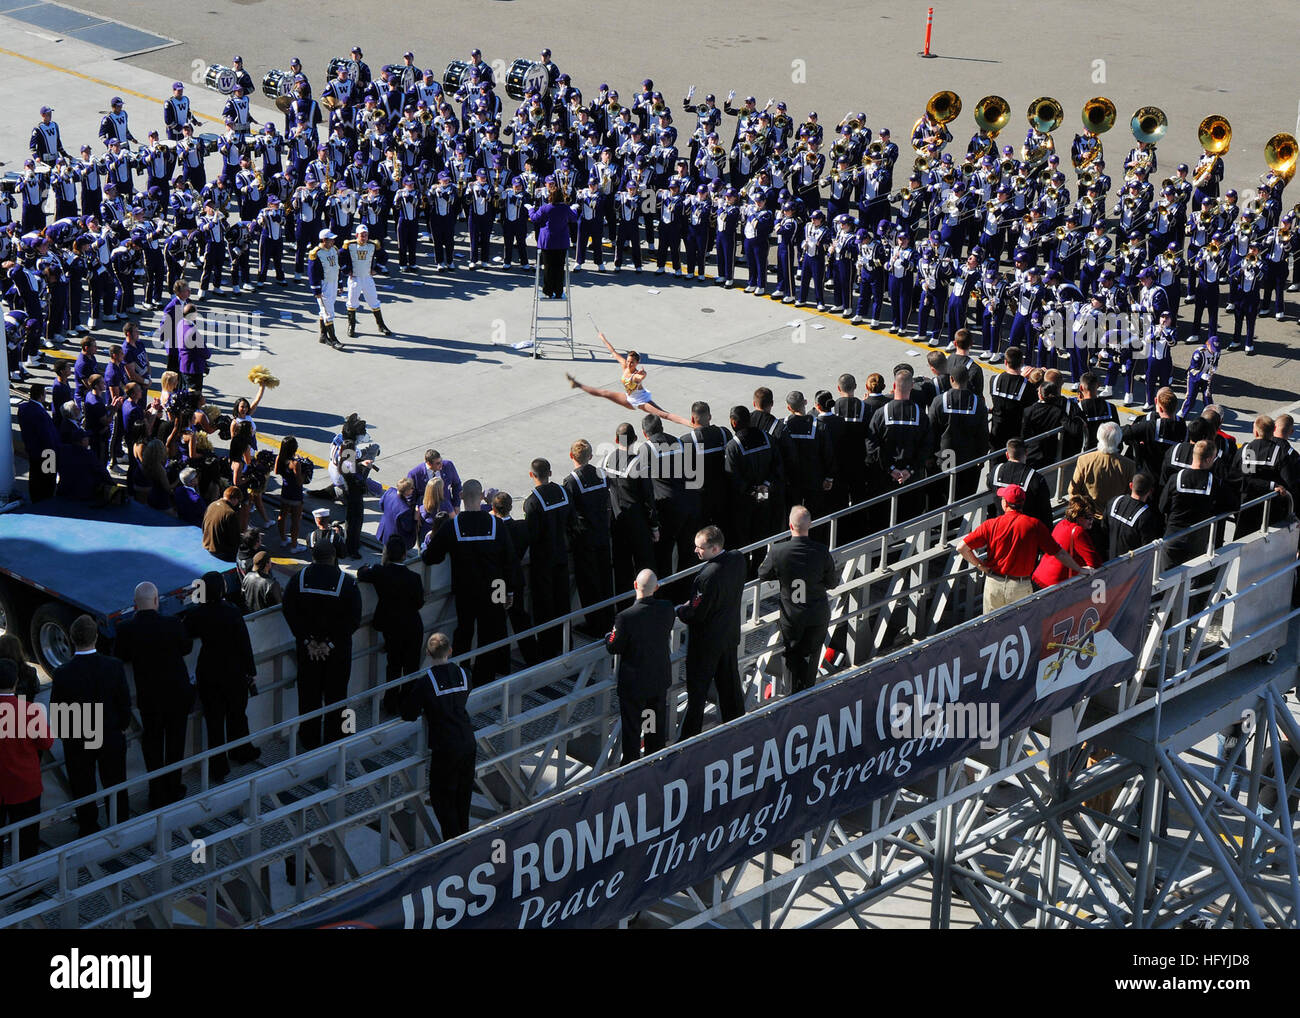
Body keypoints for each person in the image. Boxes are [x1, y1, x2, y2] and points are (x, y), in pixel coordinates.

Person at [112, 581, 194, 807]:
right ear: (157, 601)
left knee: (153, 745)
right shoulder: (173, 623)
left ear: (135, 605)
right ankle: (174, 787)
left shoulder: (126, 630)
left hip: (150, 698)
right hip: (177, 693)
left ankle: (156, 793)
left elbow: (120, 655)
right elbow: (186, 647)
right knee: (176, 742)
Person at [50, 615, 131, 836]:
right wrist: (121, 726)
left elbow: (58, 710)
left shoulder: (63, 673)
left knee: (83, 787)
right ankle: (120, 823)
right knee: (115, 783)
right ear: (96, 637)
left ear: (71, 639)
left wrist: (68, 737)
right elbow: (124, 701)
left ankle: (88, 827)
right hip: (110, 734)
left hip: (79, 737)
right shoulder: (113, 666)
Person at [957, 485, 1094, 613]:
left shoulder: (990, 524)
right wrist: (1080, 569)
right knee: (1020, 629)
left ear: (1005, 503)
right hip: (1020, 586)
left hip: (994, 583)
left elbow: (962, 547)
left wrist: (981, 566)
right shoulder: (1034, 525)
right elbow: (1059, 553)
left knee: (991, 630)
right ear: (1022, 504)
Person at [281, 539, 362, 750]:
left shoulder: (298, 580)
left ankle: (309, 740)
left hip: (307, 652)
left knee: (309, 698)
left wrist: (307, 641)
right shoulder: (347, 582)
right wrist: (330, 644)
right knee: (337, 696)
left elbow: (289, 611)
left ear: (313, 557)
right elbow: (354, 619)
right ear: (333, 557)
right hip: (337, 652)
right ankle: (337, 739)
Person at [399, 633, 476, 840]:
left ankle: (453, 842)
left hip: (445, 746)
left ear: (428, 653)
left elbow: (408, 713)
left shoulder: (426, 682)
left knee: (442, 796)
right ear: (450, 650)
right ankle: (464, 835)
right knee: (464, 792)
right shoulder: (464, 673)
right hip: (468, 740)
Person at [184, 572, 259, 780]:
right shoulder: (233, 612)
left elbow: (186, 632)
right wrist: (251, 671)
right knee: (237, 714)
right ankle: (241, 752)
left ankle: (218, 766)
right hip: (234, 671)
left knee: (214, 721)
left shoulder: (197, 614)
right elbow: (244, 644)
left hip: (209, 671)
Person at [676, 525, 747, 738]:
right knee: (730, 685)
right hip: (729, 636)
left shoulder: (705, 576)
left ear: (715, 549)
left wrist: (681, 611)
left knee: (697, 692)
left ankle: (690, 736)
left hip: (706, 644)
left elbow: (696, 613)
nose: (696, 551)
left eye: (701, 548)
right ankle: (736, 726)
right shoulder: (738, 559)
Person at [757, 506, 836, 695]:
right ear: (810, 525)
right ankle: (808, 694)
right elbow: (832, 582)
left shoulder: (778, 551)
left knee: (792, 657)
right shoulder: (821, 550)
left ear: (790, 525)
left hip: (793, 616)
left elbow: (762, 574)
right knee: (813, 655)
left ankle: (792, 697)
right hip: (817, 613)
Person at [605, 568, 676, 765]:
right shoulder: (666, 608)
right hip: (656, 681)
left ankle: (631, 764)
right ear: (657, 587)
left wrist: (608, 637)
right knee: (651, 725)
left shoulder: (625, 617)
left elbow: (613, 646)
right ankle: (653, 759)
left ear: (635, 585)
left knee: (632, 729)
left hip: (634, 686)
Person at [566, 329, 692, 427]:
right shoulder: (624, 366)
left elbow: (641, 376)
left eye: (632, 362)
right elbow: (613, 351)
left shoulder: (636, 375)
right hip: (629, 398)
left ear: (637, 363)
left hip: (641, 400)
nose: (629, 363)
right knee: (604, 392)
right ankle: (577, 384)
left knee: (663, 414)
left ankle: (691, 424)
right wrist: (603, 338)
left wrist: (642, 374)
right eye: (628, 360)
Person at [359, 536, 425, 713]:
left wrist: (370, 567)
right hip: (412, 626)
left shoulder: (380, 572)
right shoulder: (414, 577)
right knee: (412, 667)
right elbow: (419, 603)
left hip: (391, 627)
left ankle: (390, 703)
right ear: (404, 555)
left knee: (394, 666)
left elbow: (361, 573)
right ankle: (408, 703)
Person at [0, 658, 53, 863]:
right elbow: (47, 743)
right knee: (27, 839)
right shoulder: (29, 711)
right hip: (25, 785)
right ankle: (29, 887)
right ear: (15, 682)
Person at [523, 457, 572, 660]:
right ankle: (566, 643)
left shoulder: (532, 502)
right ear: (550, 473)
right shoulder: (563, 492)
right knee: (563, 602)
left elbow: (531, 535)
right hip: (562, 554)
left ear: (532, 475)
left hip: (543, 560)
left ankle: (548, 648)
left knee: (544, 607)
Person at [1032, 496, 1103, 589]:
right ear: (1077, 516)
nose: (1091, 520)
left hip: (1039, 577)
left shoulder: (1061, 524)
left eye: (1092, 516)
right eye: (1088, 517)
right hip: (1054, 585)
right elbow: (1095, 562)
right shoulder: (1078, 532)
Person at [528, 175, 577, 298]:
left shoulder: (545, 208)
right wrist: (574, 209)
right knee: (560, 268)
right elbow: (573, 218)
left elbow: (534, 219)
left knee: (548, 268)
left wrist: (530, 209)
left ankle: (548, 291)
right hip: (561, 242)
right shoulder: (565, 208)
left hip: (548, 242)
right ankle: (559, 291)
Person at [1070, 421, 1137, 509]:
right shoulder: (1129, 465)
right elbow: (1130, 494)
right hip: (1115, 513)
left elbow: (1073, 490)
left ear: (1098, 437)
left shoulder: (1084, 460)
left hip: (1090, 513)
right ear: (1119, 439)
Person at [1105, 473, 1164, 557]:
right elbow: (1147, 547)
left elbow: (1104, 528)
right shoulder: (1146, 516)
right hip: (1132, 564)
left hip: (1110, 560)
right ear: (1150, 491)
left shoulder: (1114, 502)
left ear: (1131, 485)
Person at [202, 486, 243, 561]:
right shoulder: (230, 513)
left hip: (207, 544)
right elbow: (234, 539)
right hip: (221, 552)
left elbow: (204, 526)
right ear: (234, 499)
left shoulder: (212, 504)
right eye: (238, 500)